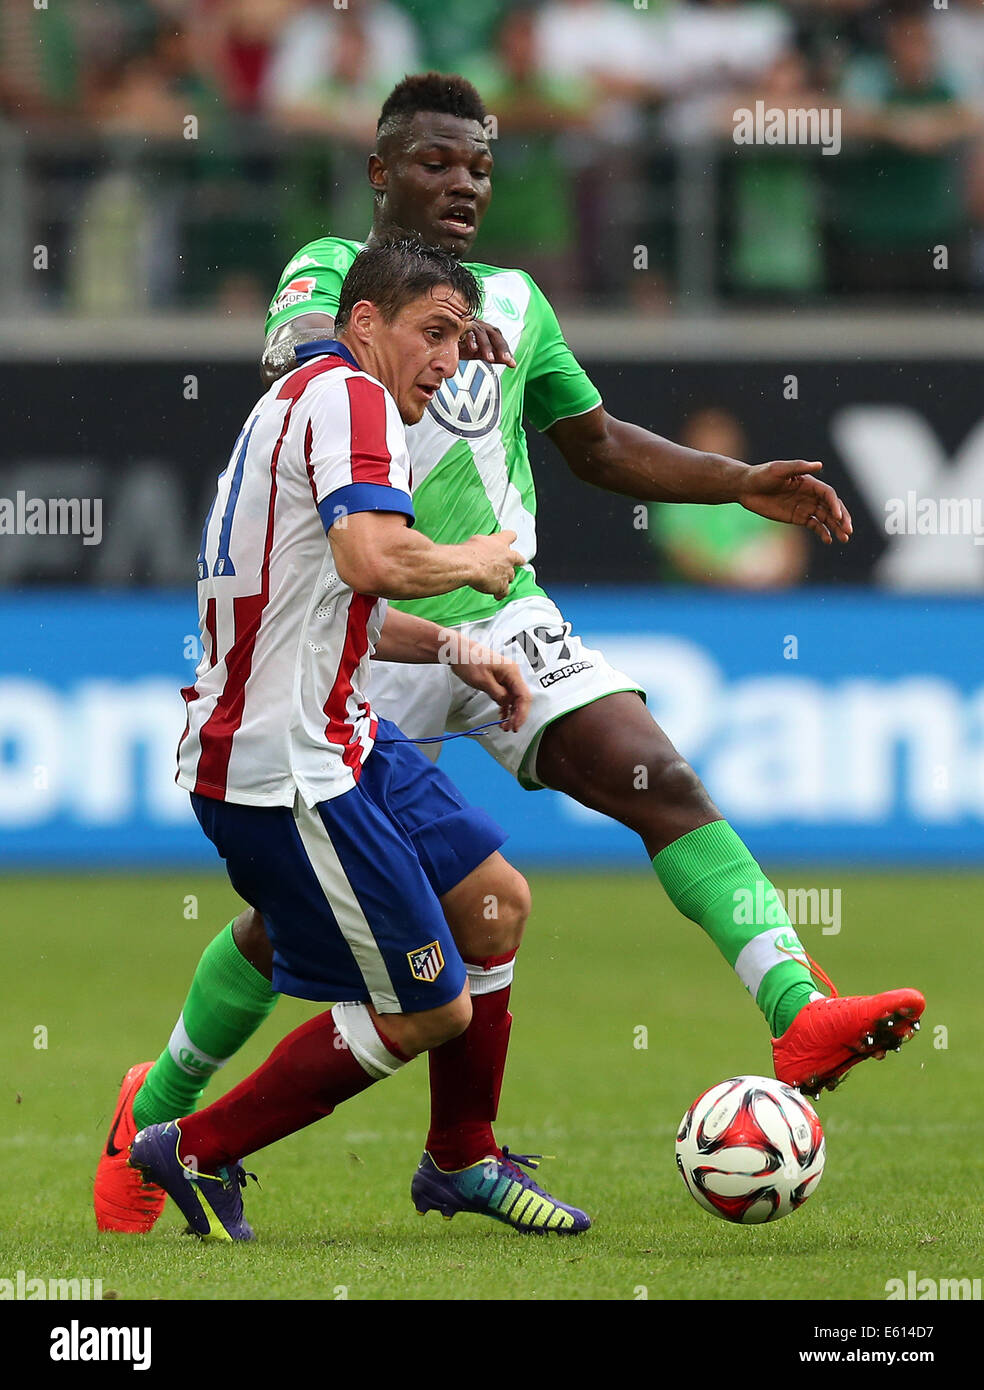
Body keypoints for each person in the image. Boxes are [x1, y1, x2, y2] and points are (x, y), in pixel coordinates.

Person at [95, 73, 924, 1239]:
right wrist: (429, 330)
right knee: (307, 929)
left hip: (499, 604)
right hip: (369, 611)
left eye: (479, 168)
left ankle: (792, 1008)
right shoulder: (335, 277)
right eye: (435, 163)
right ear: (382, 174)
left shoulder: (523, 303)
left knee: (655, 780)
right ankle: (162, 1108)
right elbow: (299, 368)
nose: (462, 185)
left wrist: (736, 483)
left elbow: (594, 444)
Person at [119, 238, 590, 1240]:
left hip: (344, 734)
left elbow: (333, 599)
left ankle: (462, 1156)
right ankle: (193, 1146)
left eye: (463, 342)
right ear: (364, 322)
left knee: (497, 904)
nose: (451, 361)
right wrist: (480, 558)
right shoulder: (348, 399)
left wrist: (453, 644)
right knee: (432, 1009)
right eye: (434, 333)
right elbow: (369, 555)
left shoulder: (301, 406)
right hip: (286, 769)